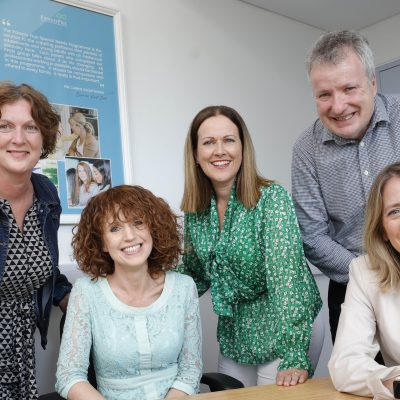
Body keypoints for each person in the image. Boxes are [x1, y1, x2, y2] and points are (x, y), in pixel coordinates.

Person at [178, 105, 322, 387]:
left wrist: (294, 353)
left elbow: (287, 280)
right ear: (196, 154)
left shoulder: (272, 199)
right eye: (209, 142)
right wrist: (145, 297)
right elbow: (193, 276)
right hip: (237, 332)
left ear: (243, 148)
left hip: (287, 325)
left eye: (229, 140)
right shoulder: (196, 212)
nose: (220, 150)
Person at [291, 30, 400, 342]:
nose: (338, 106)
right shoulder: (305, 149)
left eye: (349, 88)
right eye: (324, 94)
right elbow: (311, 235)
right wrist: (367, 275)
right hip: (351, 284)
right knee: (355, 382)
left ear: (373, 82)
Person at [56, 185, 202, 400]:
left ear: (153, 229)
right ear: (102, 243)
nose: (130, 236)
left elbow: (191, 368)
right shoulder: (86, 292)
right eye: (115, 228)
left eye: (138, 223)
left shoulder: (184, 287)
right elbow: (69, 376)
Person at [0, 82, 72, 399]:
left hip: (21, 354)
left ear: (43, 138)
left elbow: (42, 267)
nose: (19, 139)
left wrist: (78, 301)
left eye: (30, 127)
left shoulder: (46, 192)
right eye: (4, 126)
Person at [329, 162, 400, 399]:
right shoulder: (364, 272)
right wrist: (396, 383)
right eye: (395, 211)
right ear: (382, 231)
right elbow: (345, 365)